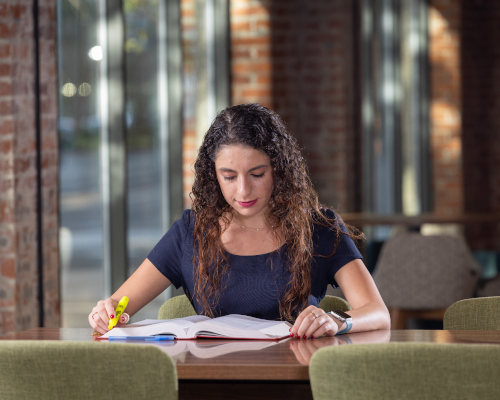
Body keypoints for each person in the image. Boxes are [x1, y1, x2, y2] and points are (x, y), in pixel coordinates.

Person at [89, 103, 390, 338]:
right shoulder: (190, 232)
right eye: (229, 177)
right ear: (213, 175)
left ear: (279, 170)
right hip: (210, 384)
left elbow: (377, 312)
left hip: (296, 380)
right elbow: (117, 306)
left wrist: (338, 321)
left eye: (257, 174)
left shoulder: (319, 227)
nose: (243, 190)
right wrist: (106, 312)